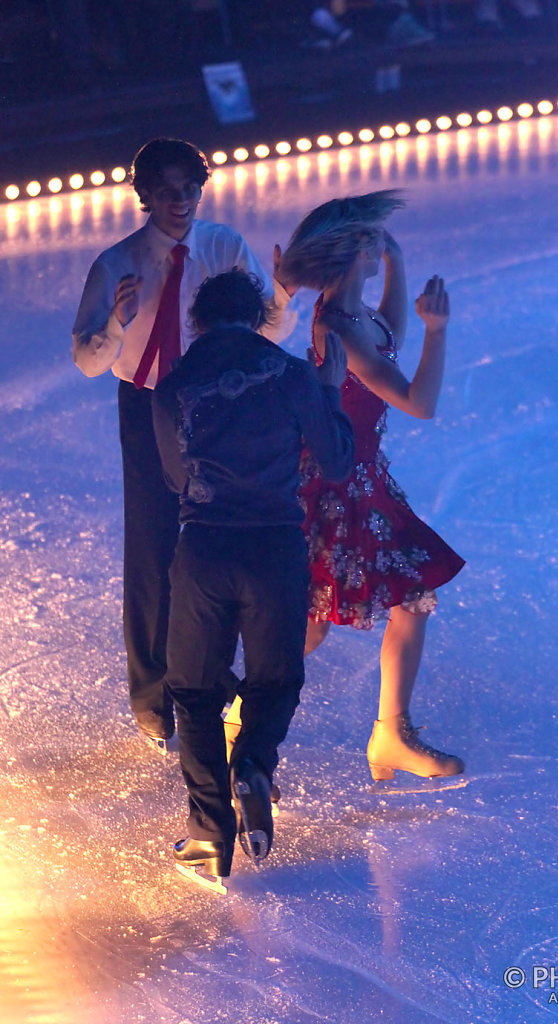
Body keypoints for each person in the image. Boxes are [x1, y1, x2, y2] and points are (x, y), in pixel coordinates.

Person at [225, 189, 466, 783]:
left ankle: (391, 734)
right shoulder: (339, 325)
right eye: (372, 239)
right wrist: (440, 331)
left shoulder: (354, 313)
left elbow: (389, 334)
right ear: (356, 250)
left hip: (360, 480)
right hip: (335, 486)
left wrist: (399, 266)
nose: (378, 243)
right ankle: (241, 715)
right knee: (308, 623)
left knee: (409, 599)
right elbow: (420, 402)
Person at [72, 137, 296, 748]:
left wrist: (280, 294)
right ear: (146, 196)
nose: (181, 201)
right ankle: (151, 694)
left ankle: (205, 682)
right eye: (168, 191)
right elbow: (88, 360)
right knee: (151, 546)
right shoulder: (117, 262)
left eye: (190, 189)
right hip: (146, 405)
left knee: (208, 542)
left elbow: (268, 329)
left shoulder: (223, 247)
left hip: (216, 405)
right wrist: (118, 321)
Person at [151, 269, 353, 887]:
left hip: (206, 548)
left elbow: (175, 479)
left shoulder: (174, 385)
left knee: (193, 693)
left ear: (200, 323)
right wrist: (331, 389)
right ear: (258, 318)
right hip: (274, 550)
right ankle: (255, 764)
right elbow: (338, 459)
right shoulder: (291, 374)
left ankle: (210, 834)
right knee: (276, 678)